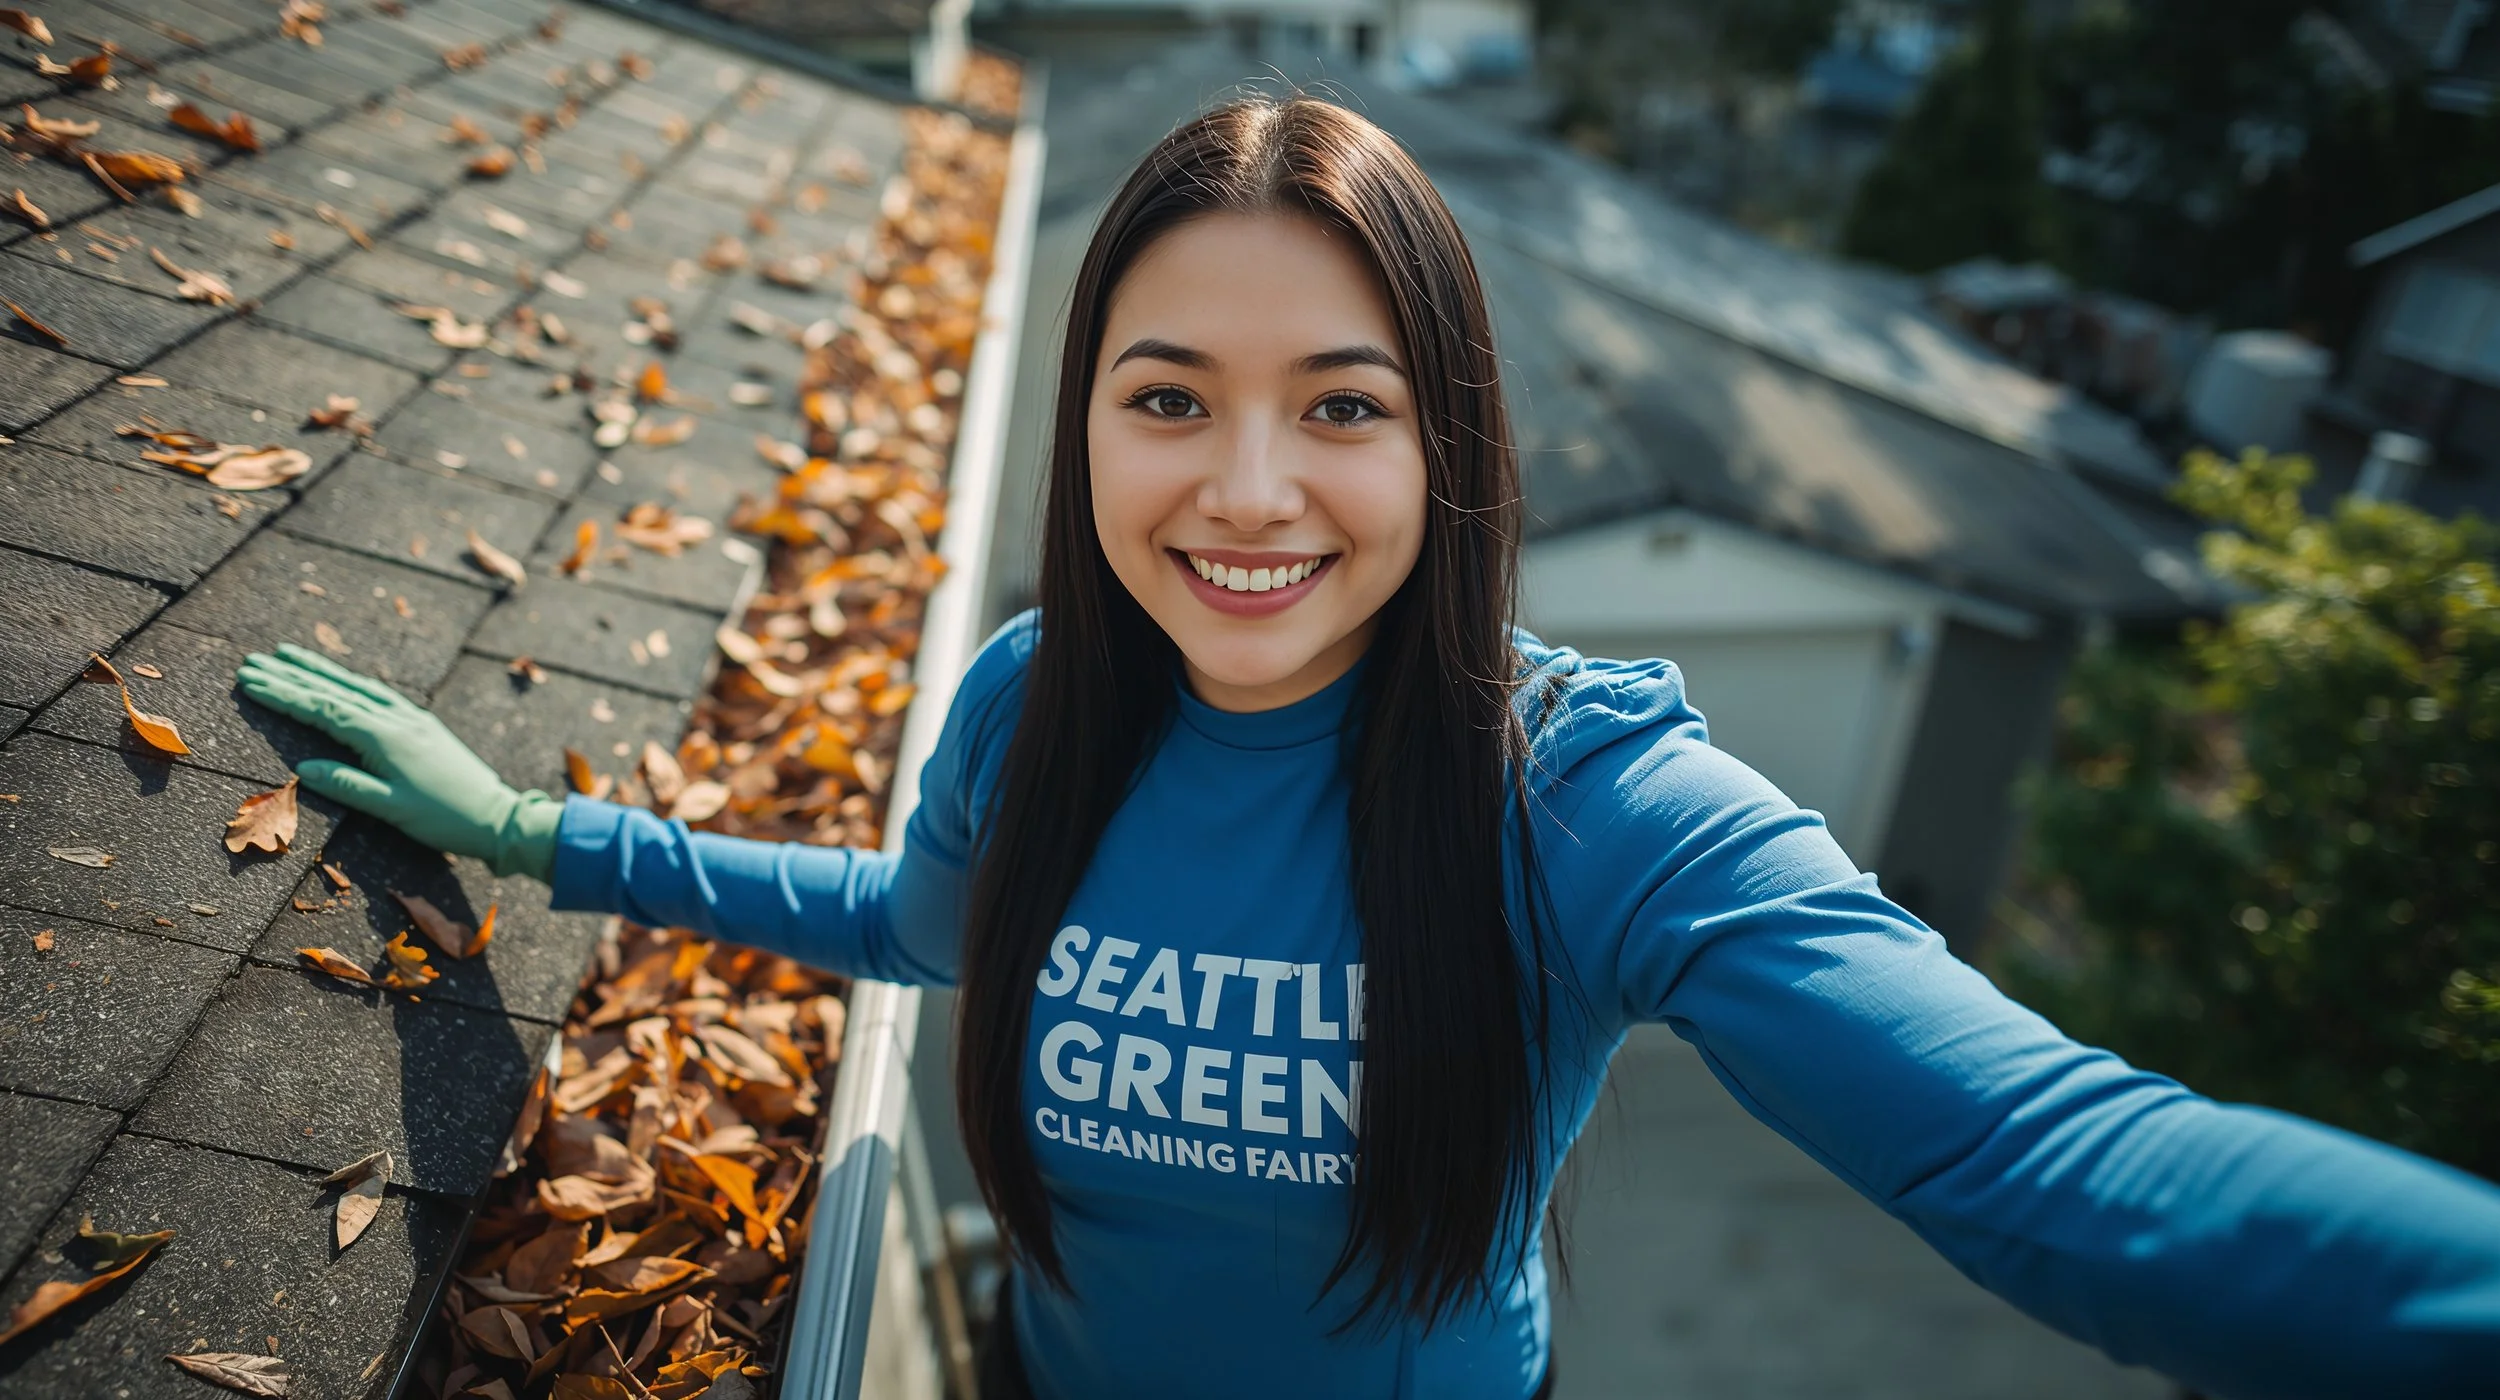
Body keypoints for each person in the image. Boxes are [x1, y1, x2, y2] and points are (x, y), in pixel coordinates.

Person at [237, 95, 2500, 1400]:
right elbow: (914, 921)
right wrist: (530, 825)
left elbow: (2070, 1174)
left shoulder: (1585, 800)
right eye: (1165, 398)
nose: (1241, 490)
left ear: (1450, 446)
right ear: (1089, 426)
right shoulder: (1040, 689)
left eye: (1339, 403)